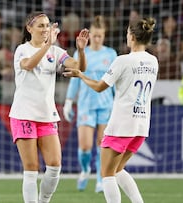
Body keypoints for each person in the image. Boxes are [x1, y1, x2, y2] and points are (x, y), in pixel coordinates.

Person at [63, 17, 158, 203]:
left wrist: (81, 75)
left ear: (131, 36)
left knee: (107, 174)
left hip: (121, 124)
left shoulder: (122, 60)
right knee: (118, 169)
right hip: (141, 125)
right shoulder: (153, 61)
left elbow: (100, 86)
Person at [9, 11, 89, 203]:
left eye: (47, 25)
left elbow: (79, 67)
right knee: (31, 168)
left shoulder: (55, 51)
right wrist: (48, 46)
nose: (45, 29)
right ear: (29, 29)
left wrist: (81, 50)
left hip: (46, 115)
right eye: (41, 26)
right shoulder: (23, 49)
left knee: (54, 165)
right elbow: (28, 65)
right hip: (23, 114)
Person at [62, 15, 117, 193]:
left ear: (104, 35)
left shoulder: (111, 54)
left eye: (101, 35)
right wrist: (69, 101)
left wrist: (118, 101)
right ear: (90, 34)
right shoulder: (80, 53)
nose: (97, 38)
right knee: (85, 146)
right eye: (95, 35)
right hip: (86, 104)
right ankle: (85, 170)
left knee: (103, 144)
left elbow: (114, 80)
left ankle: (101, 179)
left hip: (106, 104)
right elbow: (75, 79)